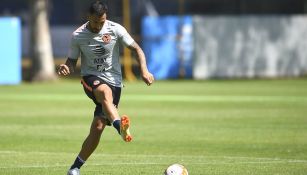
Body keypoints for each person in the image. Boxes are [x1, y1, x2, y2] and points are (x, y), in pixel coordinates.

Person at [57, 1, 154, 175]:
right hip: (90, 79)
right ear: (89, 17)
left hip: (115, 82)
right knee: (103, 92)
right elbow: (71, 61)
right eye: (95, 22)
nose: (98, 26)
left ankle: (74, 168)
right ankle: (120, 127)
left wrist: (145, 71)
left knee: (98, 126)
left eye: (101, 22)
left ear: (106, 18)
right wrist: (66, 68)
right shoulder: (78, 35)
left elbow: (137, 49)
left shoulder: (116, 29)